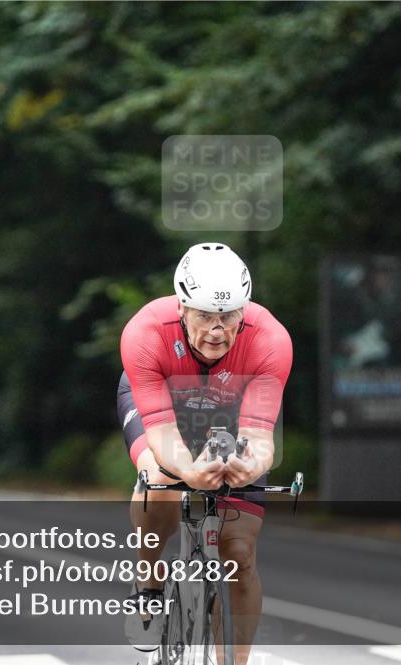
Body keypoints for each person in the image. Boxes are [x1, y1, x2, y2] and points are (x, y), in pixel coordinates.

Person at [118, 244, 292, 664]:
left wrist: (250, 464)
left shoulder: (270, 339)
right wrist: (189, 473)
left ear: (244, 310)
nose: (217, 329)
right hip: (163, 406)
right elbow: (161, 436)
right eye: (204, 316)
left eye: (229, 316)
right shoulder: (145, 332)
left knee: (240, 555)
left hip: (232, 415)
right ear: (181, 307)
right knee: (159, 478)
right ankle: (149, 581)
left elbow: (259, 437)